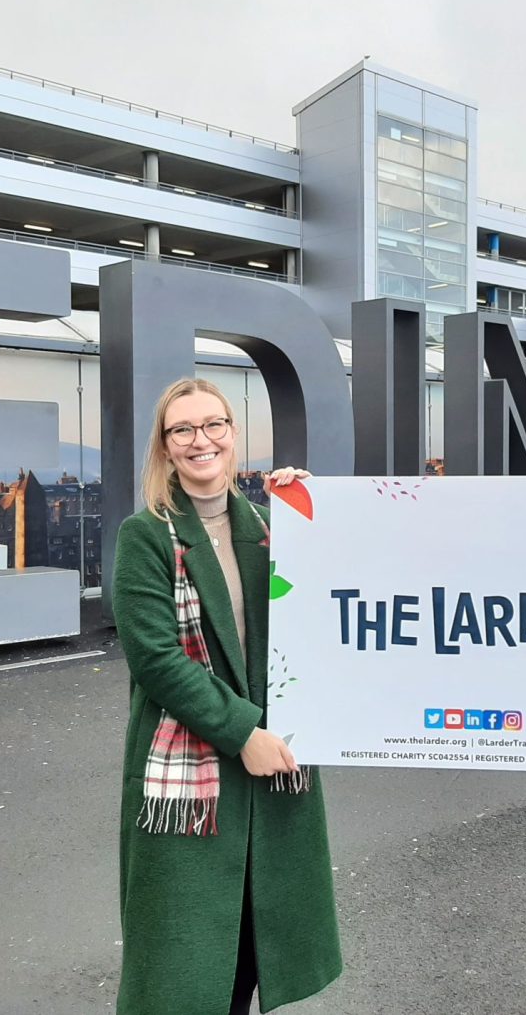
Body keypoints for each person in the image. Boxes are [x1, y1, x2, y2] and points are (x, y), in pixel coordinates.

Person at [112, 377, 342, 1015]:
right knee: (188, 971)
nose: (200, 440)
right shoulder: (146, 536)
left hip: (273, 770)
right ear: (165, 447)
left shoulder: (273, 528)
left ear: (233, 436)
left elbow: (338, 603)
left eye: (213, 425)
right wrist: (243, 733)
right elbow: (156, 660)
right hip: (197, 774)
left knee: (247, 954)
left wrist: (309, 508)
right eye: (182, 430)